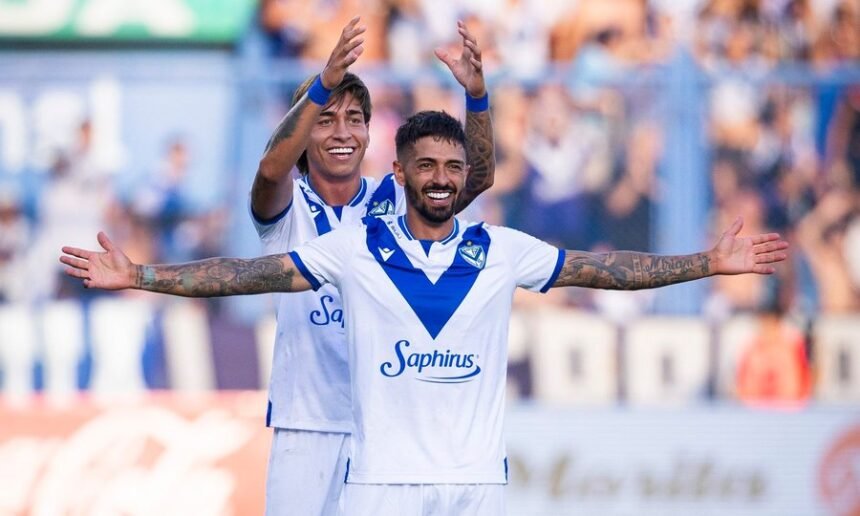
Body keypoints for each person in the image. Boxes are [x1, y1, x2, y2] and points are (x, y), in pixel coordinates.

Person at [61, 111, 789, 514]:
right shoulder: (353, 249)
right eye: (426, 167)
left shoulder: (502, 249)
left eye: (452, 168)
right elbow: (247, 275)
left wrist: (706, 262)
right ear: (400, 173)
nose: (441, 178)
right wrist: (144, 274)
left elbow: (605, 271)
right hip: (382, 486)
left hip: (476, 483)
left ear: (464, 178)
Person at [250, 16, 495, 516]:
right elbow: (271, 167)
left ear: (369, 132)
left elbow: (480, 177)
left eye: (355, 118)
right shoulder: (285, 207)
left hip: (385, 433)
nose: (343, 132)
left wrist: (476, 98)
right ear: (304, 131)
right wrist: (323, 83)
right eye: (326, 119)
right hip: (307, 425)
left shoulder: (396, 201)